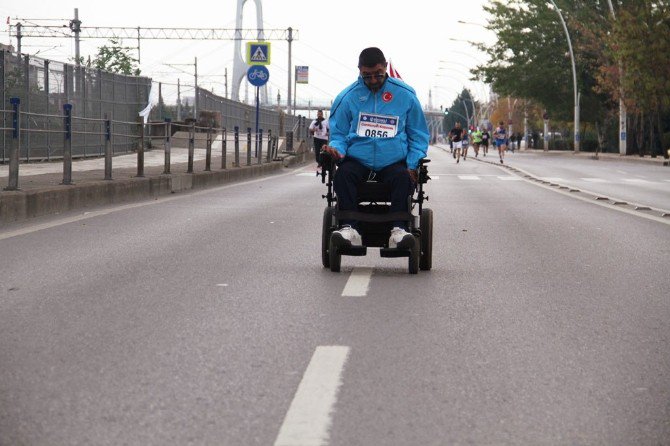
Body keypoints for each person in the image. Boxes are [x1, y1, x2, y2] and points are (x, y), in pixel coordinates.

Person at [322, 47, 429, 249]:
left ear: (386, 68)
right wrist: (336, 149)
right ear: (359, 70)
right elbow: (339, 134)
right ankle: (348, 228)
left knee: (403, 178)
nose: (372, 80)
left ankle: (398, 229)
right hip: (358, 159)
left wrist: (413, 164)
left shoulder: (405, 95)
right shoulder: (347, 97)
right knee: (343, 175)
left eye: (377, 74)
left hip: (393, 160)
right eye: (367, 76)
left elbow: (419, 135)